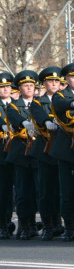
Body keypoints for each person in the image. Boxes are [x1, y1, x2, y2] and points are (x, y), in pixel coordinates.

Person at [49, 63, 74, 241]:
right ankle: (70, 226)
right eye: (73, 77)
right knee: (67, 190)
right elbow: (60, 104)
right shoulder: (61, 95)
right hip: (66, 147)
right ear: (67, 79)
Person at [29, 66, 64, 240]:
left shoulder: (65, 99)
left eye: (57, 81)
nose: (54, 84)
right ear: (44, 83)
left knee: (60, 189)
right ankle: (48, 225)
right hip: (44, 150)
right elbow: (37, 114)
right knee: (45, 190)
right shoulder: (38, 102)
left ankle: (59, 222)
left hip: (62, 149)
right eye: (51, 81)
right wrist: (47, 121)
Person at [4, 71, 40, 240]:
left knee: (37, 189)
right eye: (25, 86)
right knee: (22, 191)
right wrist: (23, 122)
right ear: (19, 88)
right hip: (21, 152)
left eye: (32, 86)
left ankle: (34, 223)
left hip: (37, 152)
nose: (29, 88)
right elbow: (13, 117)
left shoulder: (39, 103)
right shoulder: (14, 105)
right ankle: (24, 225)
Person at [0, 71, 16, 238]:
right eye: (2, 87)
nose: (5, 90)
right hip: (1, 154)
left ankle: (25, 222)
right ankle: (3, 222)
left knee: (20, 188)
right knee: (3, 190)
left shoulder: (17, 104)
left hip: (17, 152)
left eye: (7, 87)